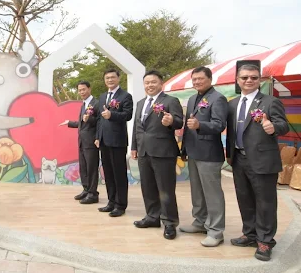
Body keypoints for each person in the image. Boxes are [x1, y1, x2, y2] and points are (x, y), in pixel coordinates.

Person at [226, 64, 289, 261]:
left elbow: (283, 125)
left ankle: (265, 240)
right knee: (245, 199)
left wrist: (273, 127)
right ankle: (250, 234)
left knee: (265, 202)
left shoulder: (270, 102)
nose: (249, 81)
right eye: (244, 77)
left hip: (263, 160)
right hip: (238, 159)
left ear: (259, 80)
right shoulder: (232, 104)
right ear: (238, 80)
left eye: (253, 77)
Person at [130, 70, 183, 240]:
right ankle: (152, 217)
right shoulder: (140, 103)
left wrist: (171, 122)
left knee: (165, 189)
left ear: (161, 83)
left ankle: (169, 222)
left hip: (163, 151)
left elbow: (179, 121)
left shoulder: (170, 101)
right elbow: (137, 127)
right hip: (144, 151)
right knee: (147, 186)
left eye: (153, 82)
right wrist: (134, 146)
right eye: (147, 83)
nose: (150, 85)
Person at [179, 66, 229, 247]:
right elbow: (187, 126)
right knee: (197, 192)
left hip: (209, 154)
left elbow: (219, 125)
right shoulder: (193, 99)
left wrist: (201, 125)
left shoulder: (218, 98)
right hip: (193, 152)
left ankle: (216, 231)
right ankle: (200, 222)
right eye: (194, 79)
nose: (197, 82)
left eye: (200, 78)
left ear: (210, 79)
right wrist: (184, 149)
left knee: (212, 193)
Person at [94, 68, 133, 217]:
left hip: (118, 141)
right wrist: (98, 136)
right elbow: (99, 119)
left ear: (118, 78)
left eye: (112, 77)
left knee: (119, 174)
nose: (110, 80)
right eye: (107, 78)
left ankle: (120, 205)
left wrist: (112, 114)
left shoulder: (125, 96)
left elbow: (127, 115)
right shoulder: (103, 96)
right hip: (104, 140)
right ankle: (111, 201)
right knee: (108, 173)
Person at [60, 80, 99, 204]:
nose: (82, 92)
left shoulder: (96, 103)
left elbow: (99, 122)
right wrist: (70, 123)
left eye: (83, 89)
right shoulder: (83, 105)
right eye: (80, 90)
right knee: (84, 167)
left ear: (89, 89)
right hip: (82, 141)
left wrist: (91, 120)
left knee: (91, 168)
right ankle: (86, 190)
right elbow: (82, 123)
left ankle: (93, 194)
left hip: (91, 142)